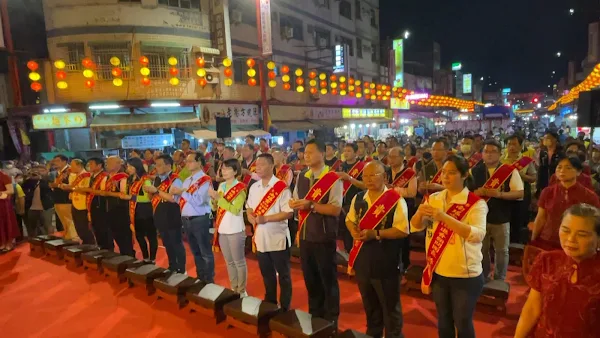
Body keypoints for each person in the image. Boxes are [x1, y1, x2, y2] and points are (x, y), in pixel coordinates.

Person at [410, 155, 488, 338]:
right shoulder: (434, 198)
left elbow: (477, 235)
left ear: (464, 175)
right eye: (443, 172)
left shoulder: (476, 203)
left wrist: (443, 217)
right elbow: (415, 226)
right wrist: (420, 213)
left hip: (465, 275)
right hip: (439, 271)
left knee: (462, 321)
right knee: (443, 320)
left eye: (452, 173)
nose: (445, 176)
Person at [515, 203, 600, 338]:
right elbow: (532, 308)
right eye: (565, 230)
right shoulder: (547, 260)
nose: (571, 239)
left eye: (582, 234)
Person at [346, 161, 409, 338]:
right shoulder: (359, 198)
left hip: (386, 264)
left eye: (373, 175)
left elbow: (402, 229)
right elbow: (350, 219)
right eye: (365, 176)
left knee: (390, 309)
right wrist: (353, 230)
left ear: (385, 177)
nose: (368, 179)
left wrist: (376, 233)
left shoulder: (395, 200)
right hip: (363, 262)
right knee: (370, 307)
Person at [291, 139, 343, 328]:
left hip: (323, 236)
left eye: (311, 152)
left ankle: (331, 318)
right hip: (305, 235)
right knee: (310, 278)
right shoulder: (302, 176)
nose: (306, 155)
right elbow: (297, 199)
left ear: (323, 153)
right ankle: (315, 314)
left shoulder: (332, 178)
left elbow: (336, 209)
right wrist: (295, 204)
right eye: (305, 152)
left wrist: (311, 205)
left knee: (327, 278)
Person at [469, 139, 524, 281]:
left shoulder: (509, 171)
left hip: (501, 217)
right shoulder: (474, 170)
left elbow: (519, 193)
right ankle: (484, 275)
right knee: (482, 249)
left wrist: (499, 194)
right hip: (480, 218)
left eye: (493, 152)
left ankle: (500, 278)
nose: (489, 155)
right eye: (486, 151)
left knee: (502, 251)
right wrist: (476, 192)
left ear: (500, 154)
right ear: (481, 154)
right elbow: (466, 193)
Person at [247, 153, 294, 310]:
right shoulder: (254, 187)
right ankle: (270, 301)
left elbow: (288, 212)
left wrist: (266, 219)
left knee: (284, 275)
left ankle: (285, 305)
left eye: (261, 164)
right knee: (267, 274)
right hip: (261, 238)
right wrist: (250, 216)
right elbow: (249, 208)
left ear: (271, 165)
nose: (257, 168)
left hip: (277, 238)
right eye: (256, 165)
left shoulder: (281, 187)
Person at [531, 156, 600, 251]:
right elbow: (541, 218)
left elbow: (595, 224)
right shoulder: (547, 192)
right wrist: (533, 239)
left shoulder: (589, 196)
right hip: (546, 240)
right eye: (559, 167)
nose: (562, 171)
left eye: (568, 168)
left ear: (578, 172)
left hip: (574, 244)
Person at [209, 158, 248, 296]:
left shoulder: (240, 187)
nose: (223, 171)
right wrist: (213, 200)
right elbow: (217, 207)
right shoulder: (222, 186)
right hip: (222, 229)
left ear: (235, 171)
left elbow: (235, 209)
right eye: (222, 168)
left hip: (235, 229)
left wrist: (219, 200)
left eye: (227, 168)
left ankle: (242, 290)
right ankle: (234, 288)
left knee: (239, 262)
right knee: (229, 262)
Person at [174, 152, 214, 282]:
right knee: (195, 251)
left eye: (191, 161)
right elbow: (181, 199)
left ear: (199, 162)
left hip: (199, 218)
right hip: (186, 219)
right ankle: (200, 277)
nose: (187, 163)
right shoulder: (187, 180)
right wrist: (176, 194)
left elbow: (199, 201)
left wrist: (182, 192)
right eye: (187, 161)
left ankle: (209, 280)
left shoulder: (205, 179)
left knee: (205, 252)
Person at [144, 154, 186, 273]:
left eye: (159, 165)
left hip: (172, 216)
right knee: (167, 244)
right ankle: (172, 266)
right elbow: (151, 198)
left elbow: (173, 198)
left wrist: (157, 191)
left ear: (168, 165)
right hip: (160, 216)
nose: (156, 168)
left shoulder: (175, 179)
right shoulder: (157, 179)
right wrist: (150, 192)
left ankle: (181, 269)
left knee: (176, 244)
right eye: (156, 165)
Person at [120, 158, 157, 263]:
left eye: (131, 166)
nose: (128, 169)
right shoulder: (131, 179)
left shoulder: (145, 179)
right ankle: (145, 257)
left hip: (146, 211)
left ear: (137, 166)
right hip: (135, 210)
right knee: (139, 235)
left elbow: (148, 198)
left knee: (151, 236)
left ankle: (152, 259)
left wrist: (131, 197)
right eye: (128, 166)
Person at [386, 147, 417, 272]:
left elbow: (411, 193)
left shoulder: (409, 174)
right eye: (389, 157)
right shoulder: (385, 171)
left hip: (404, 208)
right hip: (387, 208)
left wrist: (392, 189)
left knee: (403, 238)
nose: (391, 160)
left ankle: (404, 264)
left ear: (402, 157)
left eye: (394, 157)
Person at [503, 134, 537, 244]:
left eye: (514, 144)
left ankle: (516, 245)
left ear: (520, 146)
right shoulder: (501, 158)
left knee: (519, 220)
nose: (511, 147)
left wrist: (521, 175)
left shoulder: (526, 161)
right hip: (504, 195)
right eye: (509, 144)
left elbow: (533, 178)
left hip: (521, 195)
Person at [338, 143, 366, 254]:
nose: (346, 153)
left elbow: (365, 185)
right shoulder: (341, 166)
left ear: (356, 152)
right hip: (342, 202)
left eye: (349, 151)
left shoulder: (362, 166)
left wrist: (349, 178)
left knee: (356, 229)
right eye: (345, 151)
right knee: (345, 229)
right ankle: (347, 251)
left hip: (357, 201)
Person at [103, 157, 134, 255]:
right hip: (110, 209)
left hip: (121, 210)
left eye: (109, 162)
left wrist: (111, 193)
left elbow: (124, 194)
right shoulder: (107, 177)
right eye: (106, 162)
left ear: (118, 164)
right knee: (115, 233)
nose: (106, 164)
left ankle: (128, 255)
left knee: (124, 235)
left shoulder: (123, 177)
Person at [61, 159, 95, 245]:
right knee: (78, 227)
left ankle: (90, 244)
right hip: (75, 203)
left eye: (72, 166)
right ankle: (85, 243)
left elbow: (86, 190)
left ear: (79, 166)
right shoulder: (74, 175)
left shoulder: (86, 176)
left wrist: (71, 188)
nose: (70, 167)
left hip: (83, 204)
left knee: (84, 227)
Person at [50, 154, 78, 240]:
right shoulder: (59, 172)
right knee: (64, 221)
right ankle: (68, 238)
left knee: (70, 221)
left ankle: (73, 240)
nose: (55, 163)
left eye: (58, 161)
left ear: (65, 161)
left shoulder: (70, 171)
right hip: (58, 199)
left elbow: (72, 185)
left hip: (66, 199)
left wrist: (57, 185)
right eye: (54, 161)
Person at [23, 166, 55, 237]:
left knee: (47, 225)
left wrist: (40, 178)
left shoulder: (48, 180)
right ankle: (34, 242)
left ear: (46, 171)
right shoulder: (30, 182)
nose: (39, 172)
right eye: (37, 171)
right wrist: (28, 176)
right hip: (32, 207)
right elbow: (24, 187)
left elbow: (47, 187)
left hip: (45, 207)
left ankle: (50, 240)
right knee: (32, 227)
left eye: (42, 171)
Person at [536, 131, 562, 197]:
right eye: (544, 138)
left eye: (548, 138)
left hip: (557, 182)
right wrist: (538, 186)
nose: (545, 140)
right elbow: (540, 169)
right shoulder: (543, 152)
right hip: (544, 182)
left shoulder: (561, 152)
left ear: (555, 139)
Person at [0, 170, 19, 253]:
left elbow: (11, 191)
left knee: (5, 223)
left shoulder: (4, 176)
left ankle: (9, 243)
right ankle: (2, 243)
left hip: (3, 204)